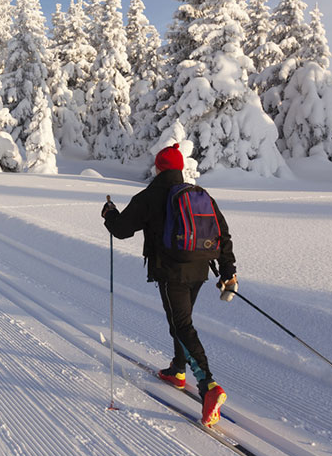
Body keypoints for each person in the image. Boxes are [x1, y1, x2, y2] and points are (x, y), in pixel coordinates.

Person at [101, 143, 238, 428]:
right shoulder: (200, 195)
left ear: (159, 167)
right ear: (179, 168)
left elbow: (122, 229)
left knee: (181, 325)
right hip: (200, 269)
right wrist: (228, 272)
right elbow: (222, 234)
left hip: (170, 271)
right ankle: (178, 370)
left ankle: (209, 386)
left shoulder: (151, 195)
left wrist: (109, 213)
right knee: (181, 320)